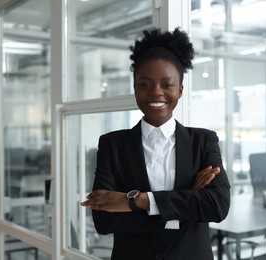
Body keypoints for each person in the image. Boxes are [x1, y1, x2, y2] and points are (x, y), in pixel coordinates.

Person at [80, 27, 231, 260]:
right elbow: (105, 220)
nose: (156, 93)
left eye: (167, 85)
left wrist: (137, 200)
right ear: (135, 89)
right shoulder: (113, 144)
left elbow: (218, 206)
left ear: (180, 90)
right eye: (145, 84)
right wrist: (186, 200)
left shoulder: (203, 141)